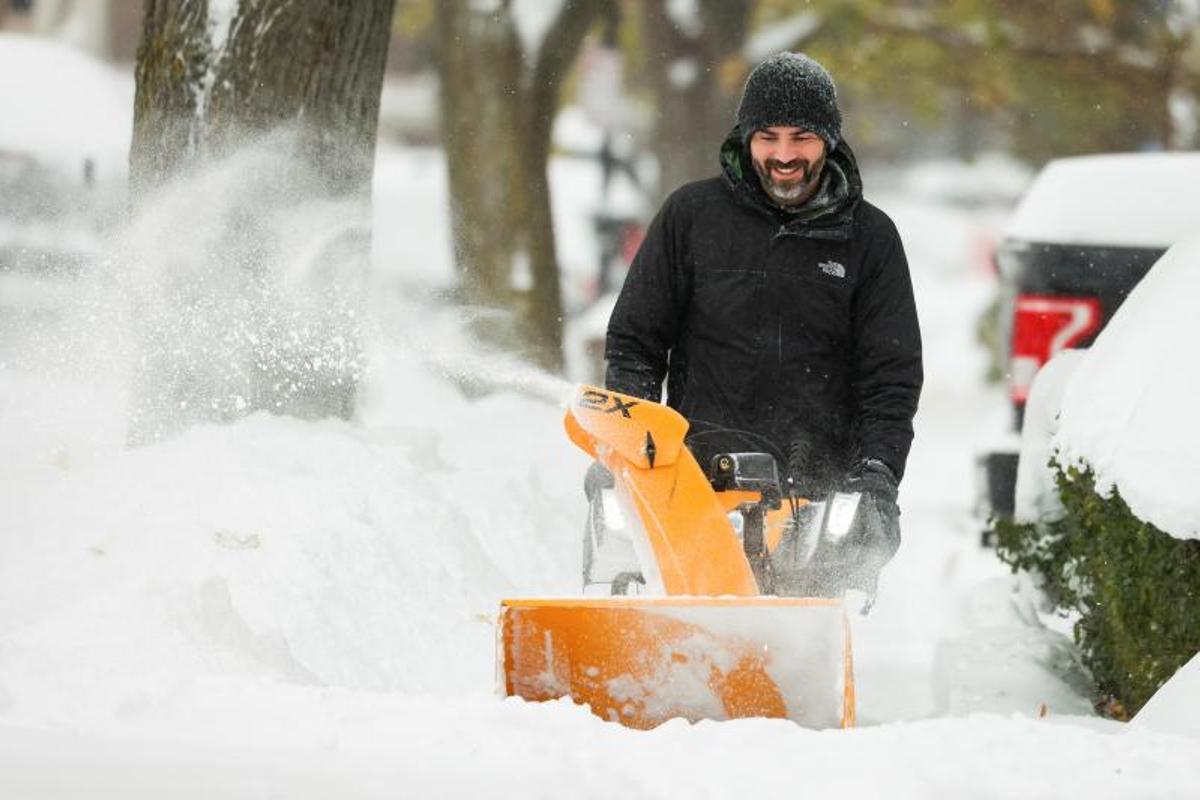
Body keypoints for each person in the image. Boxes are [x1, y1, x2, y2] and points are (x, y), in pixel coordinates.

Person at [601, 52, 923, 593]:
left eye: (801, 138)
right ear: (745, 137)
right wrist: (629, 447)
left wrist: (877, 477)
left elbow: (890, 379)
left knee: (788, 646)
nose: (783, 156)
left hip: (813, 499)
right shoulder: (691, 217)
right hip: (693, 485)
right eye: (767, 137)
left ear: (830, 139)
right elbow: (635, 343)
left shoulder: (871, 240)